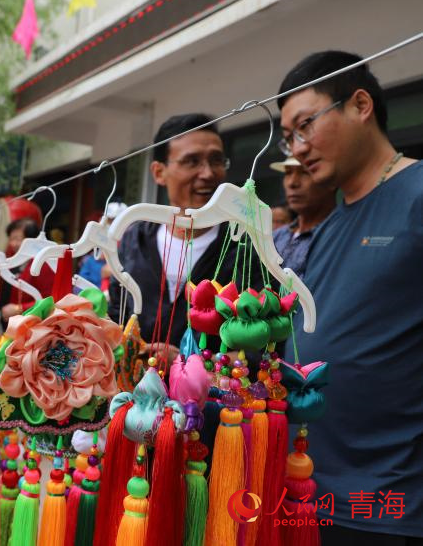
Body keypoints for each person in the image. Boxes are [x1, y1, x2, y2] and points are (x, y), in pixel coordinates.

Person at [278, 51, 423, 545]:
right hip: (308, 488)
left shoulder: (419, 192)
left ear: (360, 104)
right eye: (288, 137)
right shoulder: (332, 222)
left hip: (388, 499)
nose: (298, 149)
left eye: (305, 126)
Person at [108, 113, 263, 361]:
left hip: (211, 397)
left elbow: (261, 345)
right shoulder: (134, 239)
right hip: (132, 393)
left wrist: (192, 364)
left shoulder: (245, 246)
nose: (208, 173)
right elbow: (116, 313)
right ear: (159, 172)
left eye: (216, 160)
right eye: (192, 162)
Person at [270, 156, 336, 277]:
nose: (292, 183)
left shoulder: (340, 236)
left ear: (332, 182)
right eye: (288, 172)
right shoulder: (275, 237)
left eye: (305, 172)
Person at [0, 218, 55, 326]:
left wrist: (19, 308)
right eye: (11, 239)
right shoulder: (12, 259)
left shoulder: (44, 264)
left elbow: (50, 300)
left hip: (33, 324)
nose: (13, 243)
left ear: (32, 240)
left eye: (18, 239)